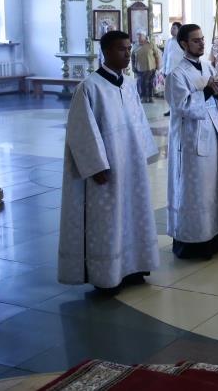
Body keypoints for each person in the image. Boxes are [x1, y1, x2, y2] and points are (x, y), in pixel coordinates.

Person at [58, 30, 158, 294]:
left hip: (131, 164)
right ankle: (107, 274)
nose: (127, 53)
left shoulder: (129, 84)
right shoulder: (89, 87)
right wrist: (96, 165)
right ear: (106, 52)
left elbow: (138, 121)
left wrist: (143, 152)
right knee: (108, 219)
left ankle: (134, 266)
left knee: (133, 213)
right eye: (121, 49)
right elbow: (81, 130)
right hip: (108, 166)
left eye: (128, 48)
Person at [165, 24, 218, 259]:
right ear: (184, 44)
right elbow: (181, 106)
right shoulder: (176, 74)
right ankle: (196, 241)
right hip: (191, 140)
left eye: (202, 39)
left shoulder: (209, 66)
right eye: (196, 40)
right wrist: (208, 91)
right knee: (197, 189)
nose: (201, 43)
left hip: (214, 133)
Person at [161, 21, 183, 116]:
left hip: (179, 71)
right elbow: (165, 56)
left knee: (179, 92)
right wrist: (164, 70)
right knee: (169, 92)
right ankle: (171, 109)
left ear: (179, 30)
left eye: (174, 28)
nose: (171, 30)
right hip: (168, 71)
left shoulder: (182, 41)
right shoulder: (169, 41)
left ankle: (180, 109)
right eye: (171, 28)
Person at [132, 32, 161, 103]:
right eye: (138, 36)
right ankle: (143, 97)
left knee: (150, 83)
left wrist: (158, 66)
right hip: (139, 68)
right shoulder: (135, 45)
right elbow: (132, 57)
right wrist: (133, 67)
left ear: (145, 36)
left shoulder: (151, 44)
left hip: (151, 67)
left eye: (140, 36)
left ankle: (151, 97)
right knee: (142, 83)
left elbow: (157, 56)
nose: (138, 37)